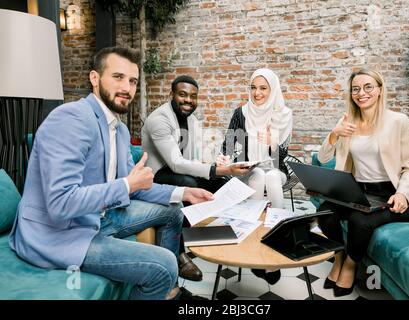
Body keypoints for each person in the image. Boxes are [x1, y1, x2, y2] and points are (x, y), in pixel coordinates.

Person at [9, 47, 213, 300]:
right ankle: (166, 282)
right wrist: (127, 185)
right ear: (95, 78)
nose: (127, 88)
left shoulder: (120, 129)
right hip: (60, 233)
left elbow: (135, 183)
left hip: (99, 216)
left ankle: (168, 292)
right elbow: (59, 204)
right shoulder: (70, 119)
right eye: (118, 77)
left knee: (174, 212)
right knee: (162, 265)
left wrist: (185, 192)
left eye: (132, 81)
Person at [317, 68, 409, 297]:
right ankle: (339, 257)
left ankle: (350, 265)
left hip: (390, 193)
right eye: (356, 89)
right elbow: (323, 158)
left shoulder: (398, 121)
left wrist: (402, 194)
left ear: (380, 90)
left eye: (368, 87)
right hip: (357, 190)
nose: (361, 93)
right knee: (325, 212)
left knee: (359, 219)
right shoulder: (347, 122)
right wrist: (334, 134)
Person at [141, 75, 251, 281]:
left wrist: (218, 165)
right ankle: (179, 254)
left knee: (222, 183)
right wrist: (218, 169)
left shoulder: (192, 120)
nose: (188, 100)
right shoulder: (159, 120)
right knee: (191, 183)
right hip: (157, 176)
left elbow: (193, 158)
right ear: (171, 94)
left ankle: (233, 236)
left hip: (179, 171)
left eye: (193, 96)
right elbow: (175, 163)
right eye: (182, 94)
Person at [217, 68, 293, 284]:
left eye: (263, 88)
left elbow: (281, 159)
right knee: (259, 173)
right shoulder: (241, 113)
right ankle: (256, 240)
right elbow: (229, 145)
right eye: (253, 87)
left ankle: (275, 239)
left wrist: (271, 142)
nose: (257, 93)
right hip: (250, 170)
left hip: (277, 170)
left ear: (273, 89)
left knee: (270, 176)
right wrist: (223, 158)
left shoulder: (283, 114)